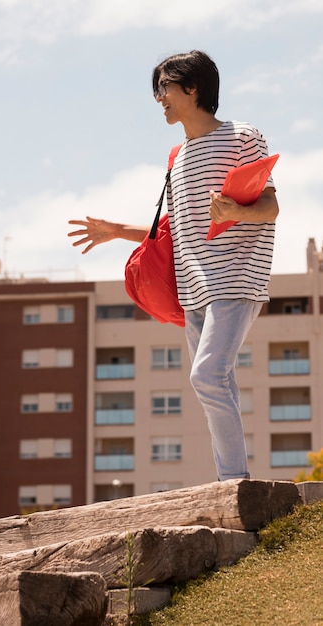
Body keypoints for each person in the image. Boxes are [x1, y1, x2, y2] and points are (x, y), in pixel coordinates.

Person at [68, 50, 279, 482]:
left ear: (192, 87)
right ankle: (234, 481)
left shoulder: (243, 136)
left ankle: (232, 483)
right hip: (193, 288)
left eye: (164, 87)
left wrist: (236, 214)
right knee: (219, 382)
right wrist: (115, 230)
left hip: (236, 277)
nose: (159, 98)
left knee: (207, 375)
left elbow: (271, 207)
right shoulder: (176, 157)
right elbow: (171, 228)